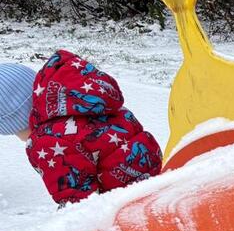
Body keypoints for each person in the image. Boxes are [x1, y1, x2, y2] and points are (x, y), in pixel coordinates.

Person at [0, 52, 161, 206]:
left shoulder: (46, 141)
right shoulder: (84, 104)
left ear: (15, 119)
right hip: (153, 173)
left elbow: (79, 201)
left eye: (14, 132)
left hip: (126, 201)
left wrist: (68, 222)